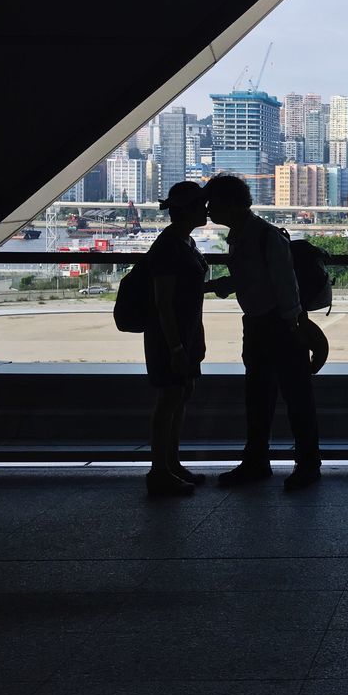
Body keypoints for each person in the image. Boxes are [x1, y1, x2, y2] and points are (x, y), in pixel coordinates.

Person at [203, 174, 321, 491]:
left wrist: (294, 325)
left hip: (279, 325)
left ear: (231, 204)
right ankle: (267, 461)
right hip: (260, 324)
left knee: (291, 397)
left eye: (213, 203)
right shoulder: (245, 236)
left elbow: (286, 285)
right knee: (261, 397)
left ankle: (302, 464)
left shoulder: (266, 237)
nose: (209, 209)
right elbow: (259, 279)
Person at [145, 181, 209, 497]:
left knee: (180, 396)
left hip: (186, 335)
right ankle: (159, 471)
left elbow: (187, 291)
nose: (206, 210)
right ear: (187, 211)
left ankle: (171, 464)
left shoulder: (184, 242)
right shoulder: (169, 247)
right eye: (200, 205)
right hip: (169, 339)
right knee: (169, 399)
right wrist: (175, 347)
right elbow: (163, 302)